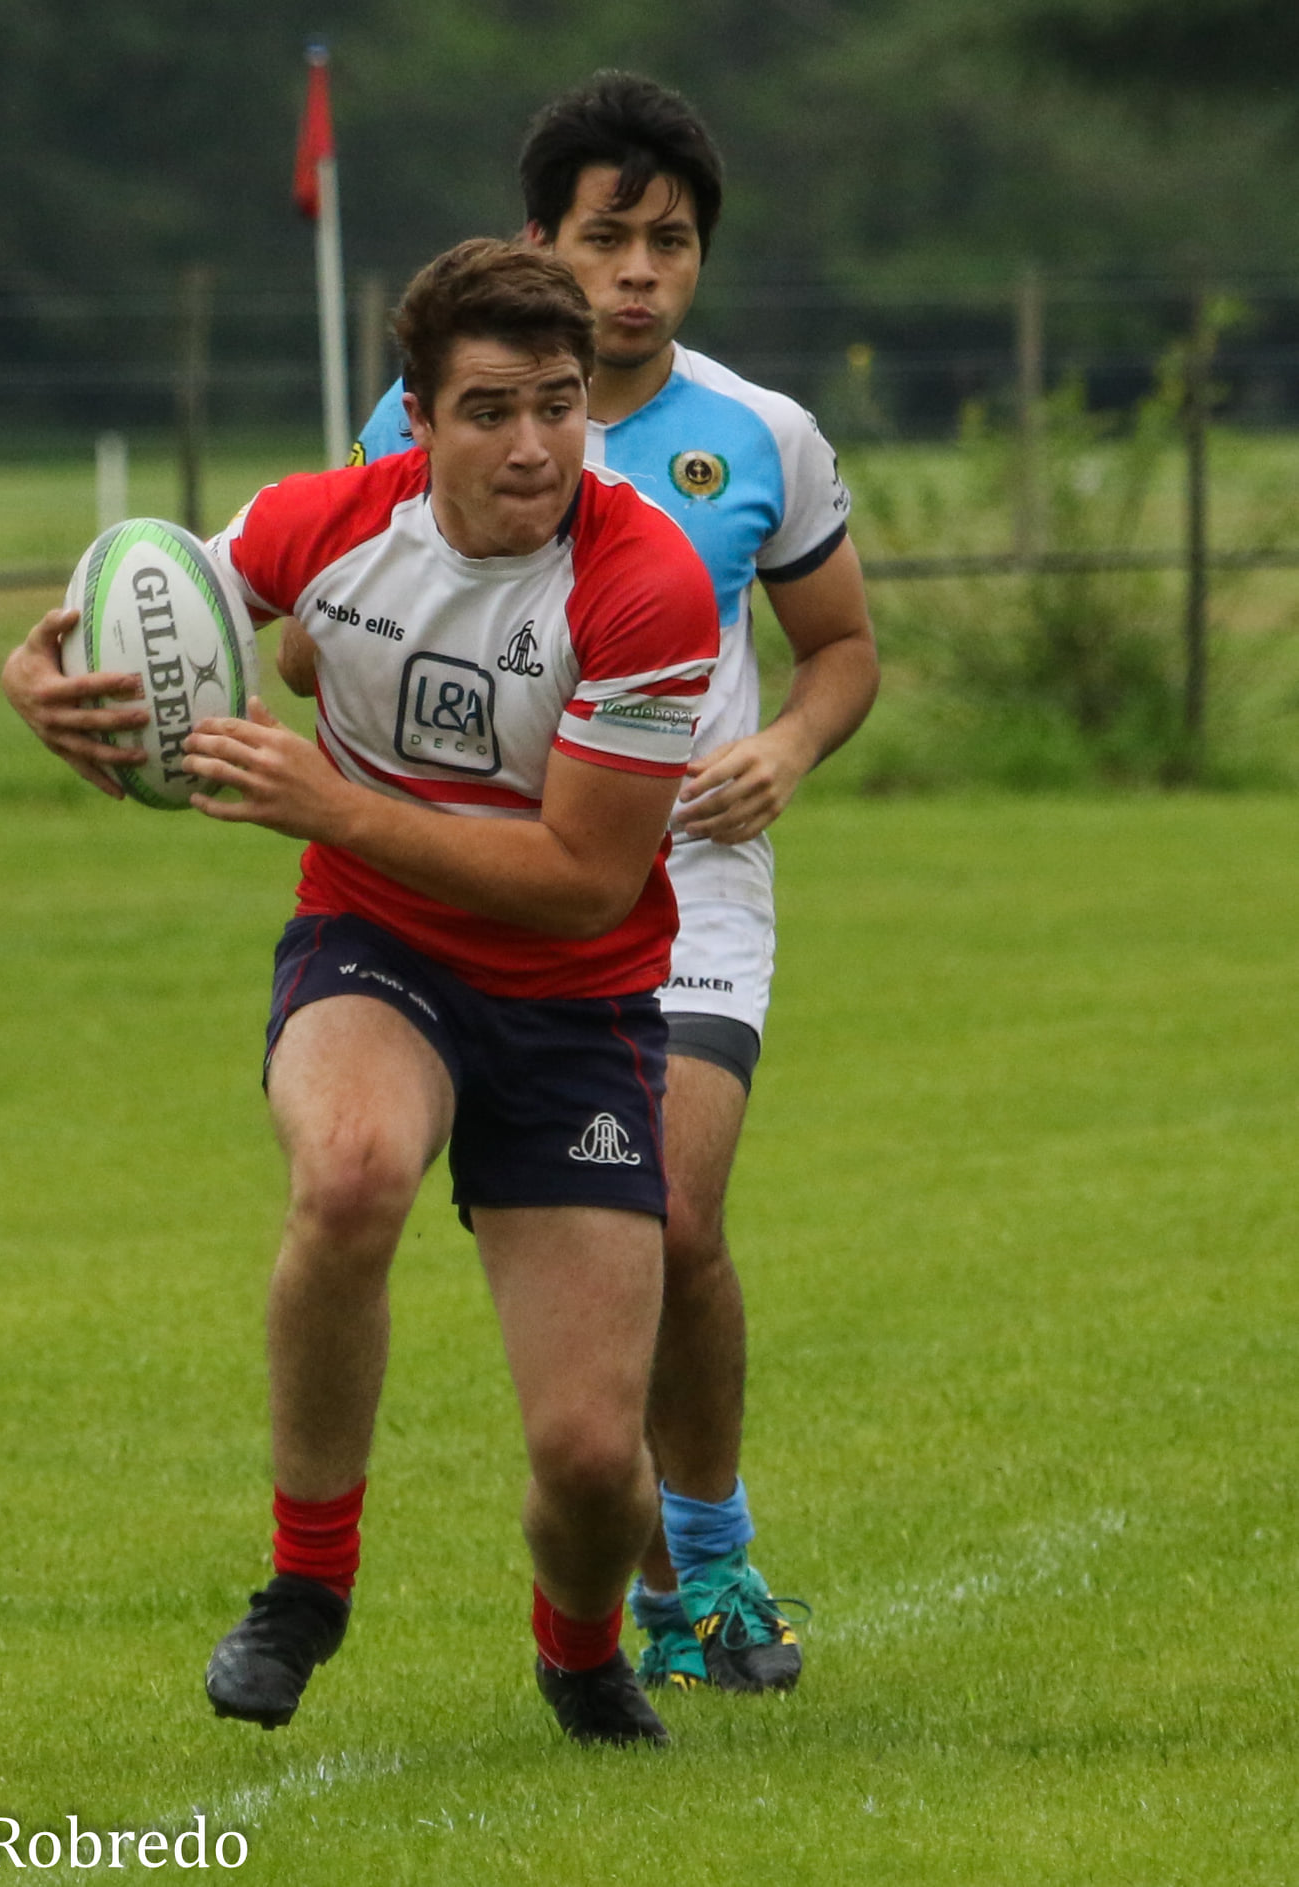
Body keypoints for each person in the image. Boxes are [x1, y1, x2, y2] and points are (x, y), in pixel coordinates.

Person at [1, 238, 720, 1748]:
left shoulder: (647, 582)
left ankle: (583, 1649)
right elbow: (155, 608)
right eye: (489, 409)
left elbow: (589, 880)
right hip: (376, 949)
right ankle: (305, 1587)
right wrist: (49, 685)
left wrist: (332, 803)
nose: (532, 444)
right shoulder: (327, 522)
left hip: (578, 1004)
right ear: (417, 413)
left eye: (559, 404)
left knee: (595, 1464)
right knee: (347, 1174)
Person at [347, 71, 879, 1696]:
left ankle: (709, 1563)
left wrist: (785, 751)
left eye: (671, 242)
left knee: (681, 1209)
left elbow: (842, 650)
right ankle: (664, 1590)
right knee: (612, 1229)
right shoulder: (418, 426)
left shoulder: (759, 436)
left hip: (694, 886)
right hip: (499, 888)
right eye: (608, 237)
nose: (640, 270)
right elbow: (342, 616)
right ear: (541, 242)